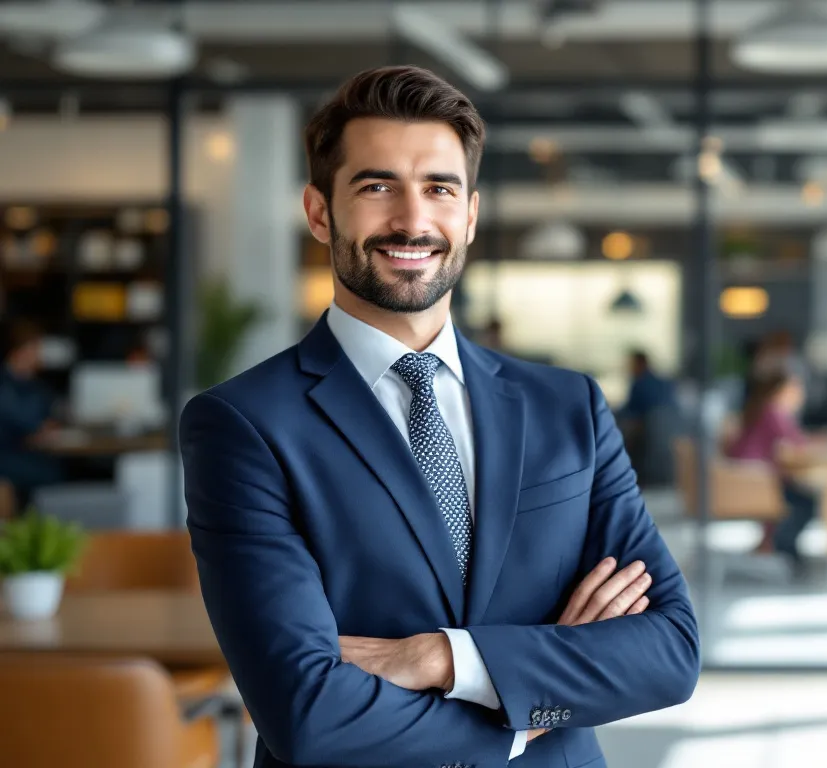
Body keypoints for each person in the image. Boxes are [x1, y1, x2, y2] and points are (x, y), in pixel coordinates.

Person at [178, 66, 698, 768]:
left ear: (471, 215)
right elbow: (305, 711)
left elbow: (669, 650)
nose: (413, 220)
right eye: (377, 185)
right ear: (320, 211)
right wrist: (523, 714)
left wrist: (444, 658)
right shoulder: (242, 425)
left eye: (439, 189)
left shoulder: (565, 405)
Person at [726, 372, 819, 566]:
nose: (800, 395)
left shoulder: (763, 410)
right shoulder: (773, 413)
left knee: (798, 493)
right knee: (805, 501)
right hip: (753, 483)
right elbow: (798, 445)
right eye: (796, 389)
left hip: (749, 480)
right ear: (783, 391)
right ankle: (782, 548)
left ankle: (772, 544)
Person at [0, 321, 61, 510]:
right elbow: (28, 422)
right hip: (6, 454)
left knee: (56, 468)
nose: (39, 355)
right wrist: (38, 427)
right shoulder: (5, 384)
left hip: (27, 451)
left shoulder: (34, 384)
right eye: (35, 349)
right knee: (52, 474)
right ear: (19, 351)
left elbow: (50, 417)